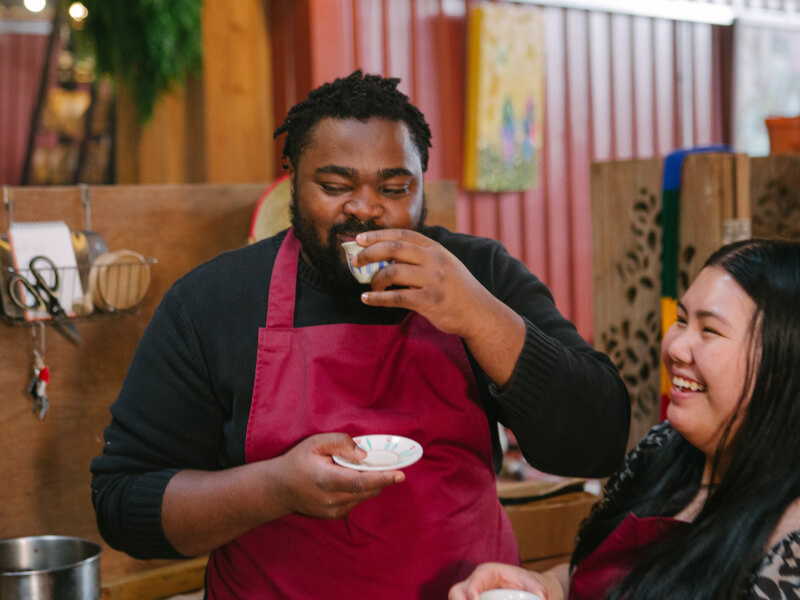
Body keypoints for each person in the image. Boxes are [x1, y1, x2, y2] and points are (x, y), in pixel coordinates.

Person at [91, 70, 630, 599]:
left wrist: (477, 314)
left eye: (394, 188)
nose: (366, 208)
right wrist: (274, 488)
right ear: (292, 183)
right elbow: (122, 502)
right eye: (334, 186)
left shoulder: (480, 275)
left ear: (422, 186)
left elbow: (600, 442)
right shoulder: (216, 301)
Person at [450, 238, 800, 600]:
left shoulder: (791, 551)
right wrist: (547, 586)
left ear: (783, 364)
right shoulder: (660, 450)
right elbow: (588, 571)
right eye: (681, 321)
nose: (676, 347)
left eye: (709, 330)